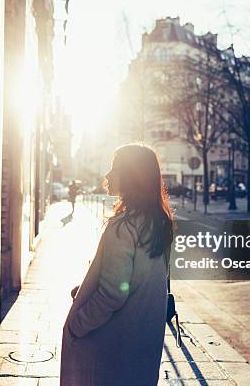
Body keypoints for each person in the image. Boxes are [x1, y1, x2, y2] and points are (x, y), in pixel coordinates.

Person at [60, 143, 174, 386]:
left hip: (113, 347)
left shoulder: (123, 226)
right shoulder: (158, 221)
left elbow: (113, 294)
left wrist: (76, 325)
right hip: (142, 344)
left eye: (115, 169)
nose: (107, 176)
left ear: (132, 176)